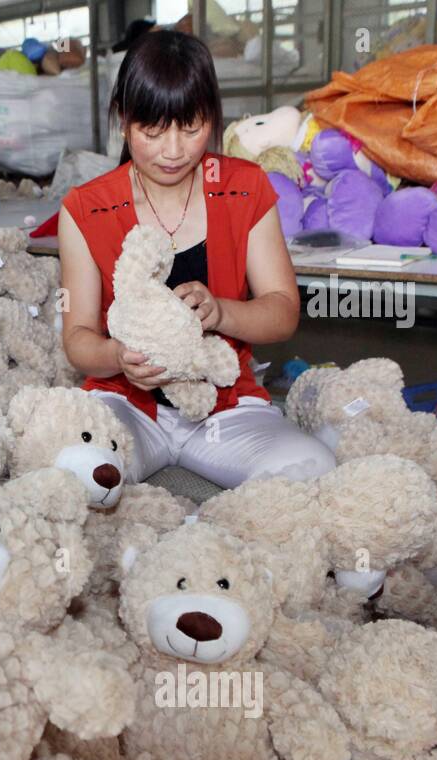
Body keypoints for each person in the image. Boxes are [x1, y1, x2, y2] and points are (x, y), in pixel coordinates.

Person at [58, 30, 335, 489]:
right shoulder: (85, 208)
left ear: (213, 118)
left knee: (312, 470)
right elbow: (77, 339)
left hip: (223, 405)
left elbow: (283, 311)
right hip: (126, 405)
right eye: (152, 130)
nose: (173, 150)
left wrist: (223, 311)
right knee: (75, 469)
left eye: (191, 128)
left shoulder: (246, 188)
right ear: (124, 121)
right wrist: (117, 356)